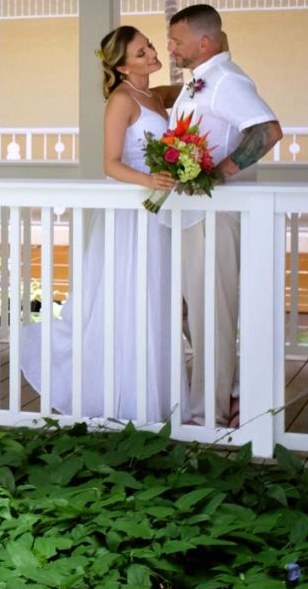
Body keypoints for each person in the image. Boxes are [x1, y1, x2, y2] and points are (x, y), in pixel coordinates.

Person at [20, 26, 190, 423]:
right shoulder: (121, 99)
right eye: (140, 52)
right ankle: (122, 400)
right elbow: (110, 163)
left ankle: (158, 400)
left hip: (159, 212)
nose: (150, 52)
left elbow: (194, 92)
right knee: (128, 296)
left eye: (148, 45)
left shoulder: (157, 95)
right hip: (132, 214)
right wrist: (152, 179)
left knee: (156, 298)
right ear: (121, 65)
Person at [165, 4, 282, 427]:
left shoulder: (227, 81)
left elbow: (267, 130)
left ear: (204, 42)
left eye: (176, 40)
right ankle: (230, 395)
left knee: (211, 314)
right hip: (194, 217)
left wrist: (218, 173)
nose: (170, 47)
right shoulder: (201, 82)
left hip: (216, 216)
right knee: (190, 310)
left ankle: (206, 415)